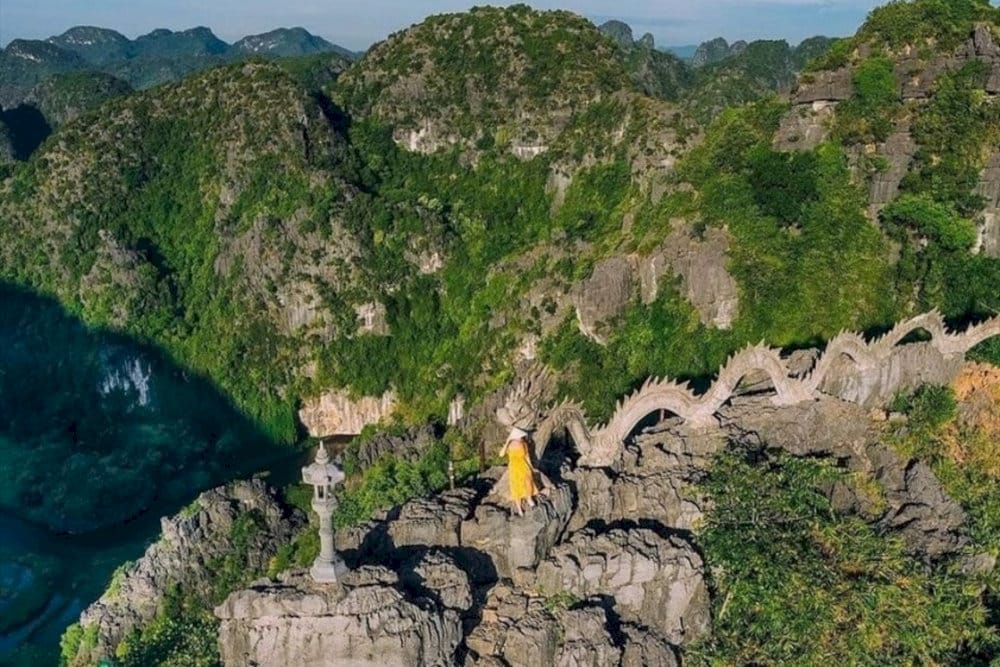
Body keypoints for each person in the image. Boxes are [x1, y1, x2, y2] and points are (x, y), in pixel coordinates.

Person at [499, 427, 539, 516]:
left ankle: (529, 499)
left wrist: (531, 467)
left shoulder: (524, 444)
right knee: (515, 486)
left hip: (524, 466)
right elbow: (501, 454)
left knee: (528, 482)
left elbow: (527, 457)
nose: (521, 437)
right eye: (520, 436)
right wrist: (507, 441)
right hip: (514, 467)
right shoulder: (509, 445)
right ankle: (519, 509)